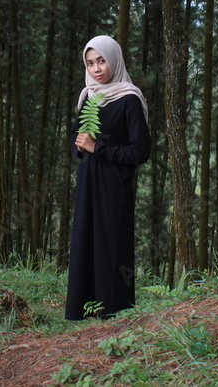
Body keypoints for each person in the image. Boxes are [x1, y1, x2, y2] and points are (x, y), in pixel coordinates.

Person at [65, 35, 150, 321]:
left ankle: (114, 312)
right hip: (88, 182)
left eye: (101, 61)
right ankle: (83, 309)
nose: (96, 69)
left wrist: (97, 147)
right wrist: (78, 146)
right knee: (86, 241)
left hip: (115, 186)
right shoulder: (89, 96)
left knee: (111, 244)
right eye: (90, 63)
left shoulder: (129, 99)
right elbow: (76, 138)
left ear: (114, 59)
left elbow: (140, 152)